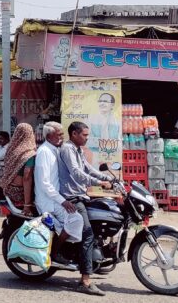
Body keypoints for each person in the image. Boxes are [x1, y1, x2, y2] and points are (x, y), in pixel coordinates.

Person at [58, 122, 115, 296]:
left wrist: (109, 178)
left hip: (81, 195)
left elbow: (87, 168)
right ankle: (85, 281)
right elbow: (76, 173)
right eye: (84, 135)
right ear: (74, 134)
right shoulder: (68, 149)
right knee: (88, 233)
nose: (87, 138)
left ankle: (94, 259)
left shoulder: (78, 150)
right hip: (72, 197)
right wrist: (99, 183)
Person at [35, 121, 84, 268]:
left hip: (55, 198)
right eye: (59, 135)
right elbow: (45, 183)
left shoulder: (55, 149)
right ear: (49, 136)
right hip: (49, 201)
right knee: (76, 219)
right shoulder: (44, 152)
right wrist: (62, 201)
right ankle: (54, 253)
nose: (62, 137)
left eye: (62, 134)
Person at [0, 123, 38, 215]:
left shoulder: (11, 150)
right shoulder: (28, 154)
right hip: (20, 193)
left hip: (8, 189)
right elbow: (27, 178)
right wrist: (27, 205)